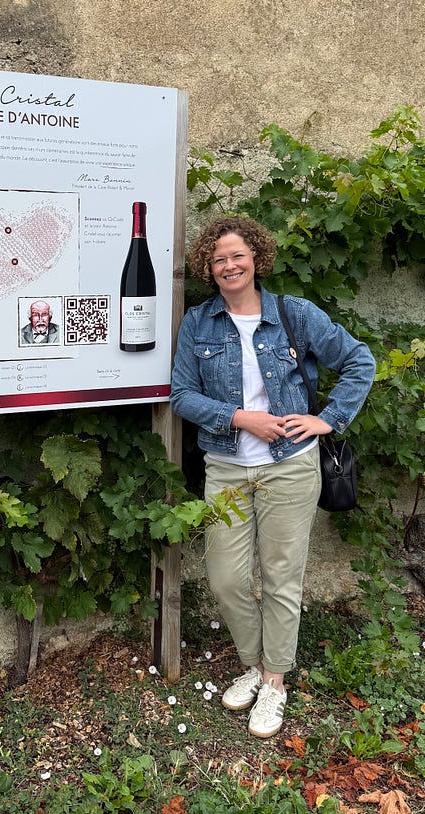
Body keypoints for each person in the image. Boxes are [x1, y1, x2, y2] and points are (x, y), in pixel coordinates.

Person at [170, 216, 375, 738]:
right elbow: (182, 395)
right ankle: (253, 664)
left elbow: (359, 361)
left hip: (290, 466)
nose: (229, 265)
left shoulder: (294, 314)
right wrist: (242, 418)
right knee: (226, 576)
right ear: (208, 268)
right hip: (227, 468)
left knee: (282, 577)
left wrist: (328, 419)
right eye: (219, 259)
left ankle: (275, 682)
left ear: (257, 257)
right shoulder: (198, 322)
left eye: (238, 255)